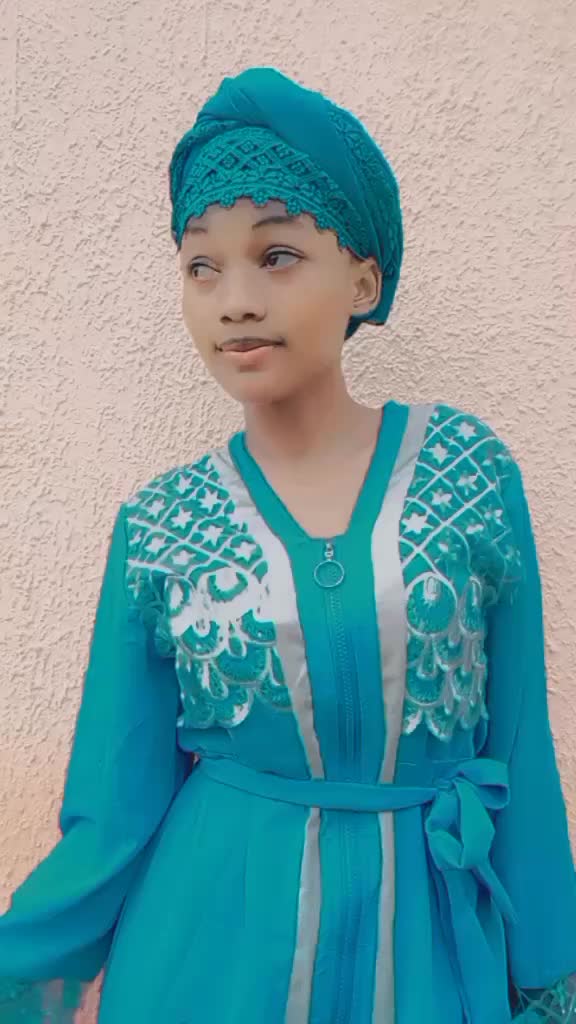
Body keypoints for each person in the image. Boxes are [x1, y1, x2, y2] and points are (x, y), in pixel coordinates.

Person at [0, 65, 575, 1024]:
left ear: (364, 278)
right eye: (201, 266)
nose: (234, 300)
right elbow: (111, 813)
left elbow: (521, 750)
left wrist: (551, 979)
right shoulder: (161, 526)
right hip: (206, 966)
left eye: (277, 256)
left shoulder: (469, 476)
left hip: (429, 958)